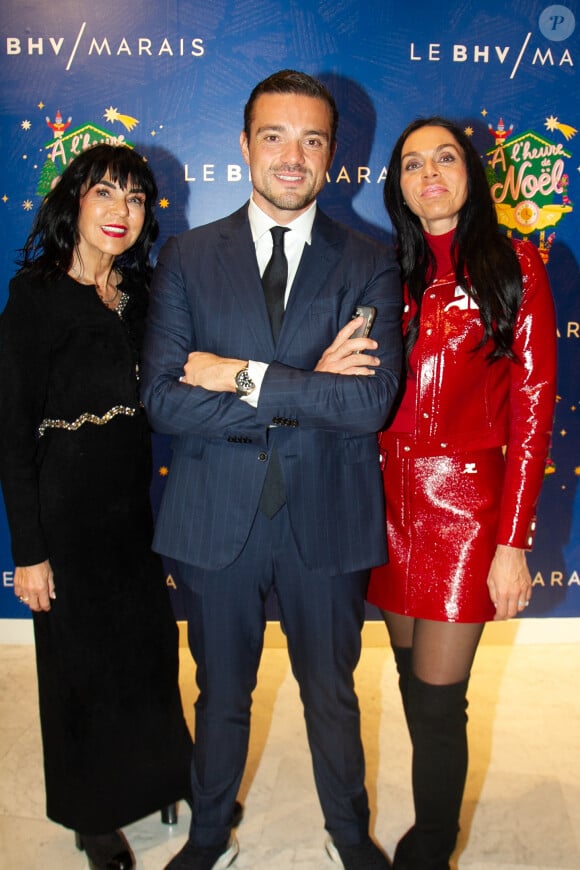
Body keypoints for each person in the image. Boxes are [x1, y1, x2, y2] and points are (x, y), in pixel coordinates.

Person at [140, 69, 403, 870]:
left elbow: (371, 404)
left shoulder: (370, 260)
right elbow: (164, 400)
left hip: (328, 512)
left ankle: (349, 835)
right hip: (215, 516)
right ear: (245, 144)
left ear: (334, 155)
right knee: (221, 695)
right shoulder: (185, 256)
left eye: (313, 139)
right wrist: (312, 382)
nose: (294, 156)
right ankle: (210, 832)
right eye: (276, 136)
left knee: (333, 694)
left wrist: (242, 374)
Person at [367, 117, 558, 870]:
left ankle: (431, 847)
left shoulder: (516, 264)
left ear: (471, 173)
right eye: (413, 164)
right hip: (385, 504)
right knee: (417, 689)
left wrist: (512, 542)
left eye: (445, 157)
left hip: (465, 511)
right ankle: (434, 818)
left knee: (442, 699)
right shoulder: (386, 269)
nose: (430, 172)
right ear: (400, 187)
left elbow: (534, 408)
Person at [0, 144, 194, 870]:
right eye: (105, 194)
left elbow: (184, 371)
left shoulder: (143, 295)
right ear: (73, 202)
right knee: (79, 669)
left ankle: (166, 779)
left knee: (146, 653)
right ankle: (93, 819)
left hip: (132, 513)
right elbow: (11, 435)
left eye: (135, 199)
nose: (121, 212)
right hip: (66, 517)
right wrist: (28, 552)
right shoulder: (36, 297)